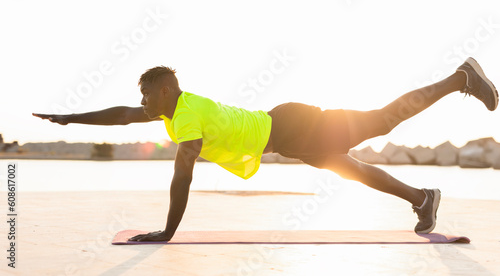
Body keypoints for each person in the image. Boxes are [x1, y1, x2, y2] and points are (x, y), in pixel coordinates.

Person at [33, 57, 498, 241]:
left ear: (168, 90)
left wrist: (166, 232)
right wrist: (72, 117)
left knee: (383, 119)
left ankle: (462, 77)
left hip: (293, 127)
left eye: (148, 96)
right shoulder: (176, 109)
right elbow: (123, 114)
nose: (143, 105)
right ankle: (423, 199)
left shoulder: (187, 118)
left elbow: (182, 176)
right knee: (349, 169)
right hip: (287, 131)